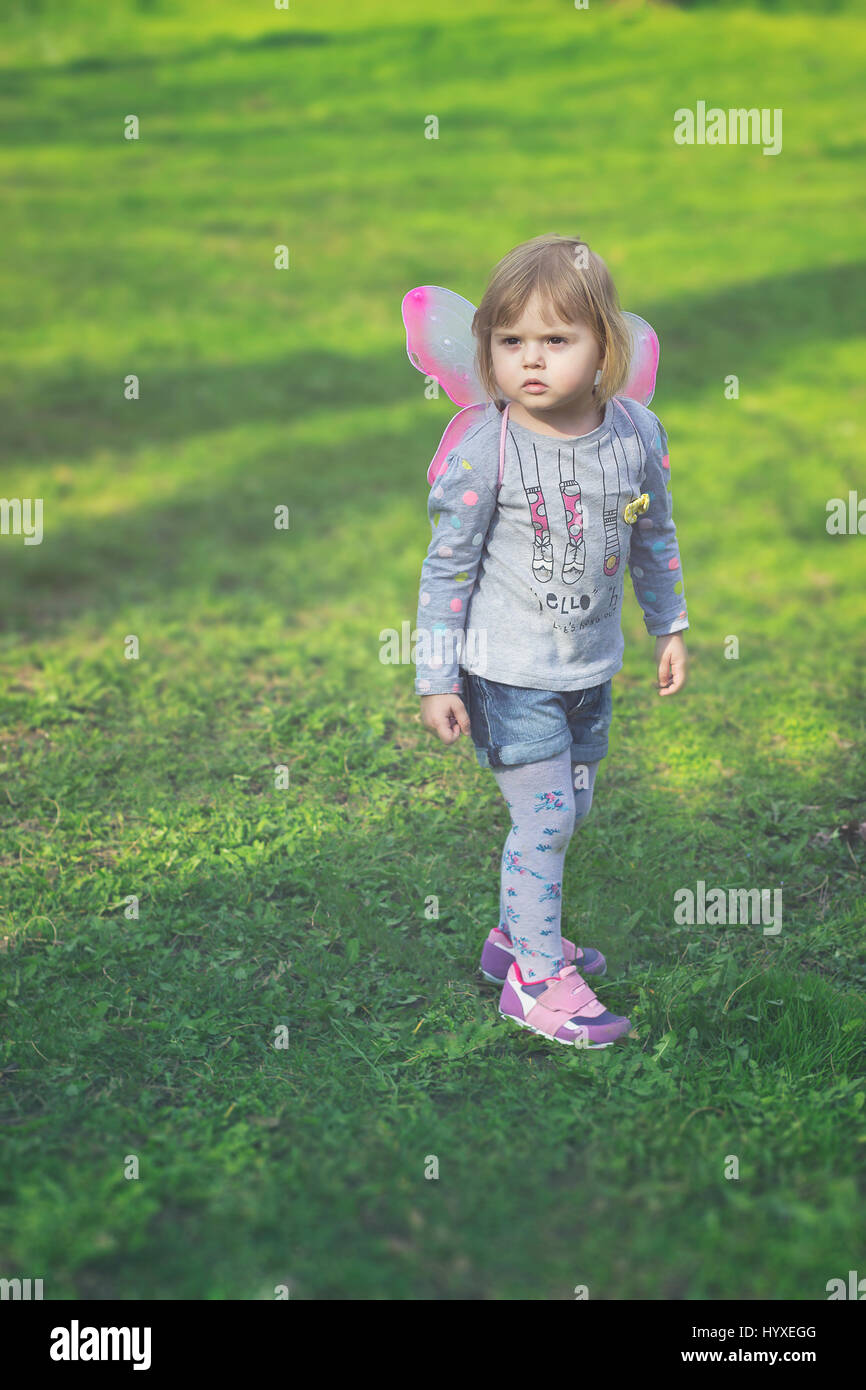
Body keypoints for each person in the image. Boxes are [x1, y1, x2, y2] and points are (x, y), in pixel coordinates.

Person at [414, 233, 689, 1049]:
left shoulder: (634, 435)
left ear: (606, 345)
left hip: (588, 669)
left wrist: (669, 624)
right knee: (545, 821)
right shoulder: (488, 448)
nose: (530, 361)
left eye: (556, 340)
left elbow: (656, 538)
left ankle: (513, 939)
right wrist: (437, 677)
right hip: (507, 675)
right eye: (511, 342)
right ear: (487, 349)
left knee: (574, 805)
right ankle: (536, 982)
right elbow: (446, 570)